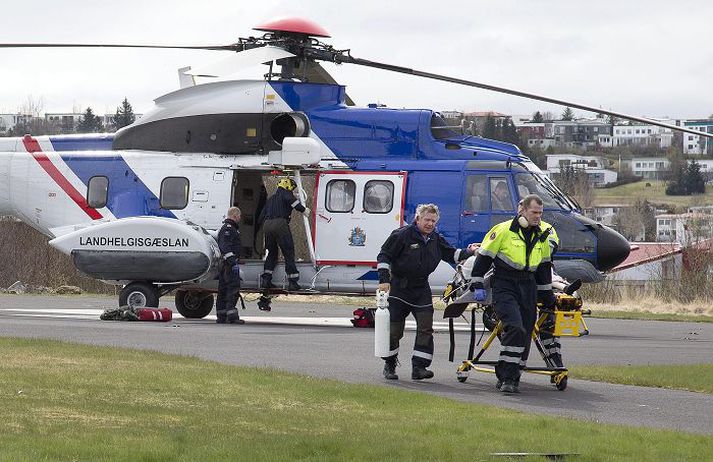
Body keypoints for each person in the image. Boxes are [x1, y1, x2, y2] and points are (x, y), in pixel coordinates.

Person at [377, 203, 478, 381]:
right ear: (417, 219)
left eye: (433, 221)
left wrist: (470, 251)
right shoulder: (401, 235)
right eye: (427, 220)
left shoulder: (436, 239)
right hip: (399, 288)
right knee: (394, 331)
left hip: (421, 289)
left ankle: (419, 367)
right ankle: (390, 364)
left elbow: (453, 255)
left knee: (425, 328)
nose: (430, 224)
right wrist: (384, 280)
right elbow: (384, 255)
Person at [469, 194, 556, 393]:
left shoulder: (542, 234)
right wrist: (478, 285)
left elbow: (543, 268)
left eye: (540, 213)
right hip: (504, 284)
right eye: (534, 212)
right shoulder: (503, 230)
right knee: (515, 328)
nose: (538, 217)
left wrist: (547, 295)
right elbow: (482, 259)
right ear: (522, 210)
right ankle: (507, 377)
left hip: (528, 286)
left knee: (525, 334)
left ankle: (513, 375)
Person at [258, 177, 310, 291]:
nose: (292, 191)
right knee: (288, 251)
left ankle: (266, 280)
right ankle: (293, 282)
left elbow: (261, 215)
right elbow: (294, 203)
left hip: (267, 225)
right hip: (280, 224)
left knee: (271, 252)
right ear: (288, 186)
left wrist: (260, 228)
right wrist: (303, 209)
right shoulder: (286, 193)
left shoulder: (271, 198)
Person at [216, 206, 244, 324]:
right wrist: (233, 262)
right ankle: (231, 316)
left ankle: (222, 315)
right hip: (229, 265)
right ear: (235, 215)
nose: (240, 219)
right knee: (232, 289)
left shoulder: (230, 228)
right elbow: (225, 246)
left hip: (226, 264)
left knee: (223, 290)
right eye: (239, 216)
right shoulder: (228, 229)